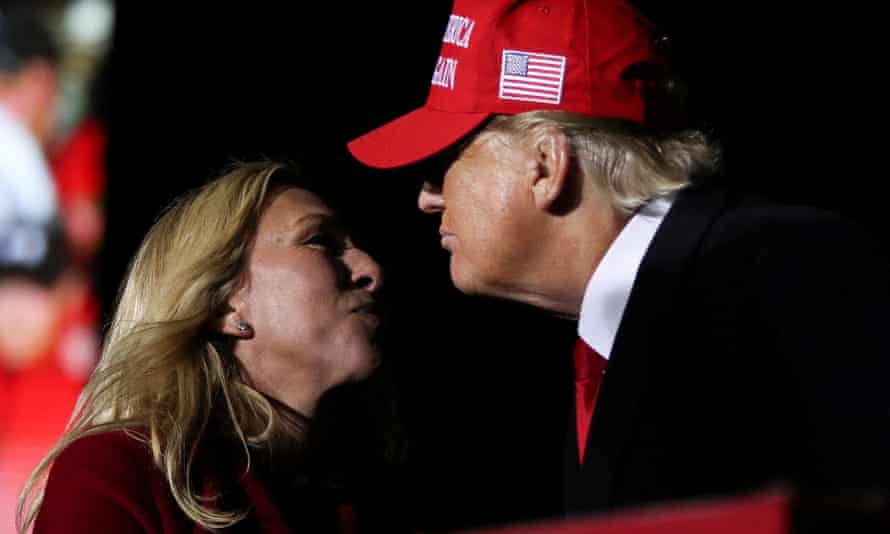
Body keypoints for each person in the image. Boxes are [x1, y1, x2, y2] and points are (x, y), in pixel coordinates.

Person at [347, 0, 890, 520]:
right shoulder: (610, 341)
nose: (427, 197)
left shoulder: (780, 266)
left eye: (444, 163)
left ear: (545, 164)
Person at [17, 161, 403, 533]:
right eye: (319, 241)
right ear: (224, 302)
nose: (370, 269)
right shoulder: (117, 473)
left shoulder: (374, 499)